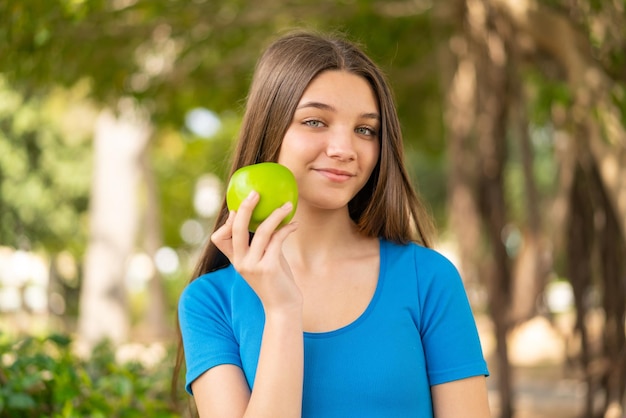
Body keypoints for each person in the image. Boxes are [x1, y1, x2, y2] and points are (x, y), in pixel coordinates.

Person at [175, 29, 490, 417]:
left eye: (364, 130)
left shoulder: (429, 280)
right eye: (315, 122)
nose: (344, 150)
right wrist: (282, 311)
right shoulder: (210, 302)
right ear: (270, 129)